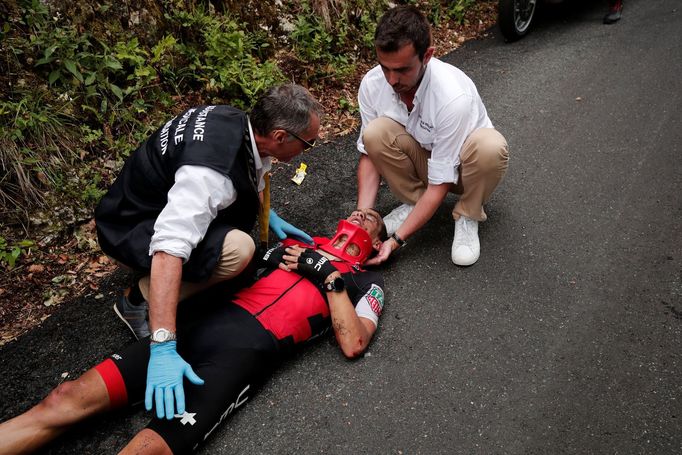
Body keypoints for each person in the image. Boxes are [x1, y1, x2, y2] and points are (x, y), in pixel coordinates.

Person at [0, 209, 387, 454]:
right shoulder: (296, 244)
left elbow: (353, 342)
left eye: (371, 219)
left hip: (243, 355)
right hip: (199, 327)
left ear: (375, 246)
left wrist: (328, 277)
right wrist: (264, 252)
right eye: (356, 213)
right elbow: (225, 257)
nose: (359, 216)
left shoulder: (367, 284)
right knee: (63, 397)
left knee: (147, 448)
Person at [94, 84, 322, 419]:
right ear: (280, 135)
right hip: (128, 226)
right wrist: (163, 345)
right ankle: (137, 299)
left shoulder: (235, 122)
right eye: (308, 142)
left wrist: (268, 215)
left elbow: (250, 170)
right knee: (238, 252)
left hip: (143, 202)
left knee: (234, 240)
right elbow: (169, 248)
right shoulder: (209, 175)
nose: (309, 149)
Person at [355, 5, 509, 267]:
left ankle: (467, 214)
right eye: (385, 68)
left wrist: (396, 241)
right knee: (375, 133)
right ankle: (413, 203)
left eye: (402, 70)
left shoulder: (451, 96)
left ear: (427, 55)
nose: (391, 80)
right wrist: (361, 217)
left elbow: (441, 183)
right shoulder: (372, 84)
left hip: (464, 170)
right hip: (427, 161)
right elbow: (370, 156)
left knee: (490, 147)